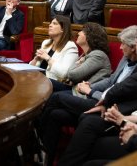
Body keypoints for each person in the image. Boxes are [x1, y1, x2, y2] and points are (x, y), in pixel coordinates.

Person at [38, 25, 137, 166]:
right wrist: (90, 88)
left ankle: (35, 143)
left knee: (56, 97)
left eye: (123, 44)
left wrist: (90, 92)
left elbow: (116, 91)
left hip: (110, 106)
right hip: (100, 100)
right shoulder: (125, 58)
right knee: (56, 114)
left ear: (133, 47)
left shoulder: (98, 55)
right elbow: (111, 80)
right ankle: (44, 157)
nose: (120, 48)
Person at [29, 16, 78, 89]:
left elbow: (64, 74)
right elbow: (32, 68)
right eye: (51, 23)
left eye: (54, 23)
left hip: (56, 83)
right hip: (41, 78)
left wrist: (48, 58)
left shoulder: (70, 47)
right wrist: (36, 59)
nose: (50, 25)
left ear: (62, 29)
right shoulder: (46, 43)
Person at [65, 22, 111, 92]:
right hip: (74, 90)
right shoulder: (85, 55)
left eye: (82, 31)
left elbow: (72, 75)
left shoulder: (98, 55)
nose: (78, 33)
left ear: (90, 36)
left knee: (55, 95)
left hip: (83, 96)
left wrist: (79, 62)